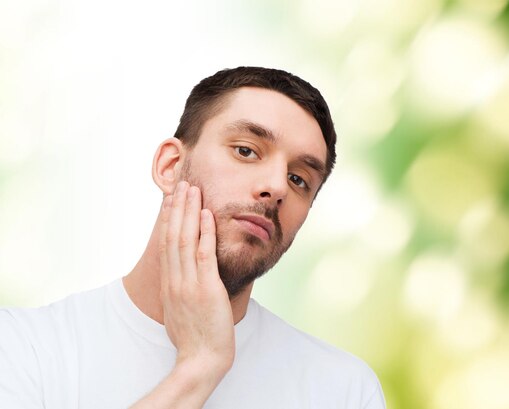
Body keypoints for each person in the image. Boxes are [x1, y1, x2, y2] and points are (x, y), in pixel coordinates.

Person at [0, 67, 386, 408]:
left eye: (299, 179)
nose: (276, 187)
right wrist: (199, 367)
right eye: (247, 151)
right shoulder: (24, 348)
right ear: (171, 166)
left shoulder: (343, 390)